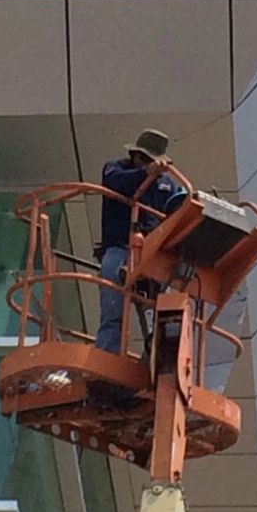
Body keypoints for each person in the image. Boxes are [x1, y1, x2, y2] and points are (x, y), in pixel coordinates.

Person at [95, 129, 179, 355]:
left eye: (149, 161)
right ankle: (107, 355)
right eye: (142, 159)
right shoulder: (116, 168)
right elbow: (115, 182)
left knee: (162, 312)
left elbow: (179, 203)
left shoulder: (167, 184)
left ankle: (156, 359)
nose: (145, 163)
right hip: (119, 249)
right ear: (134, 155)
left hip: (151, 257)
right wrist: (145, 173)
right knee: (113, 310)